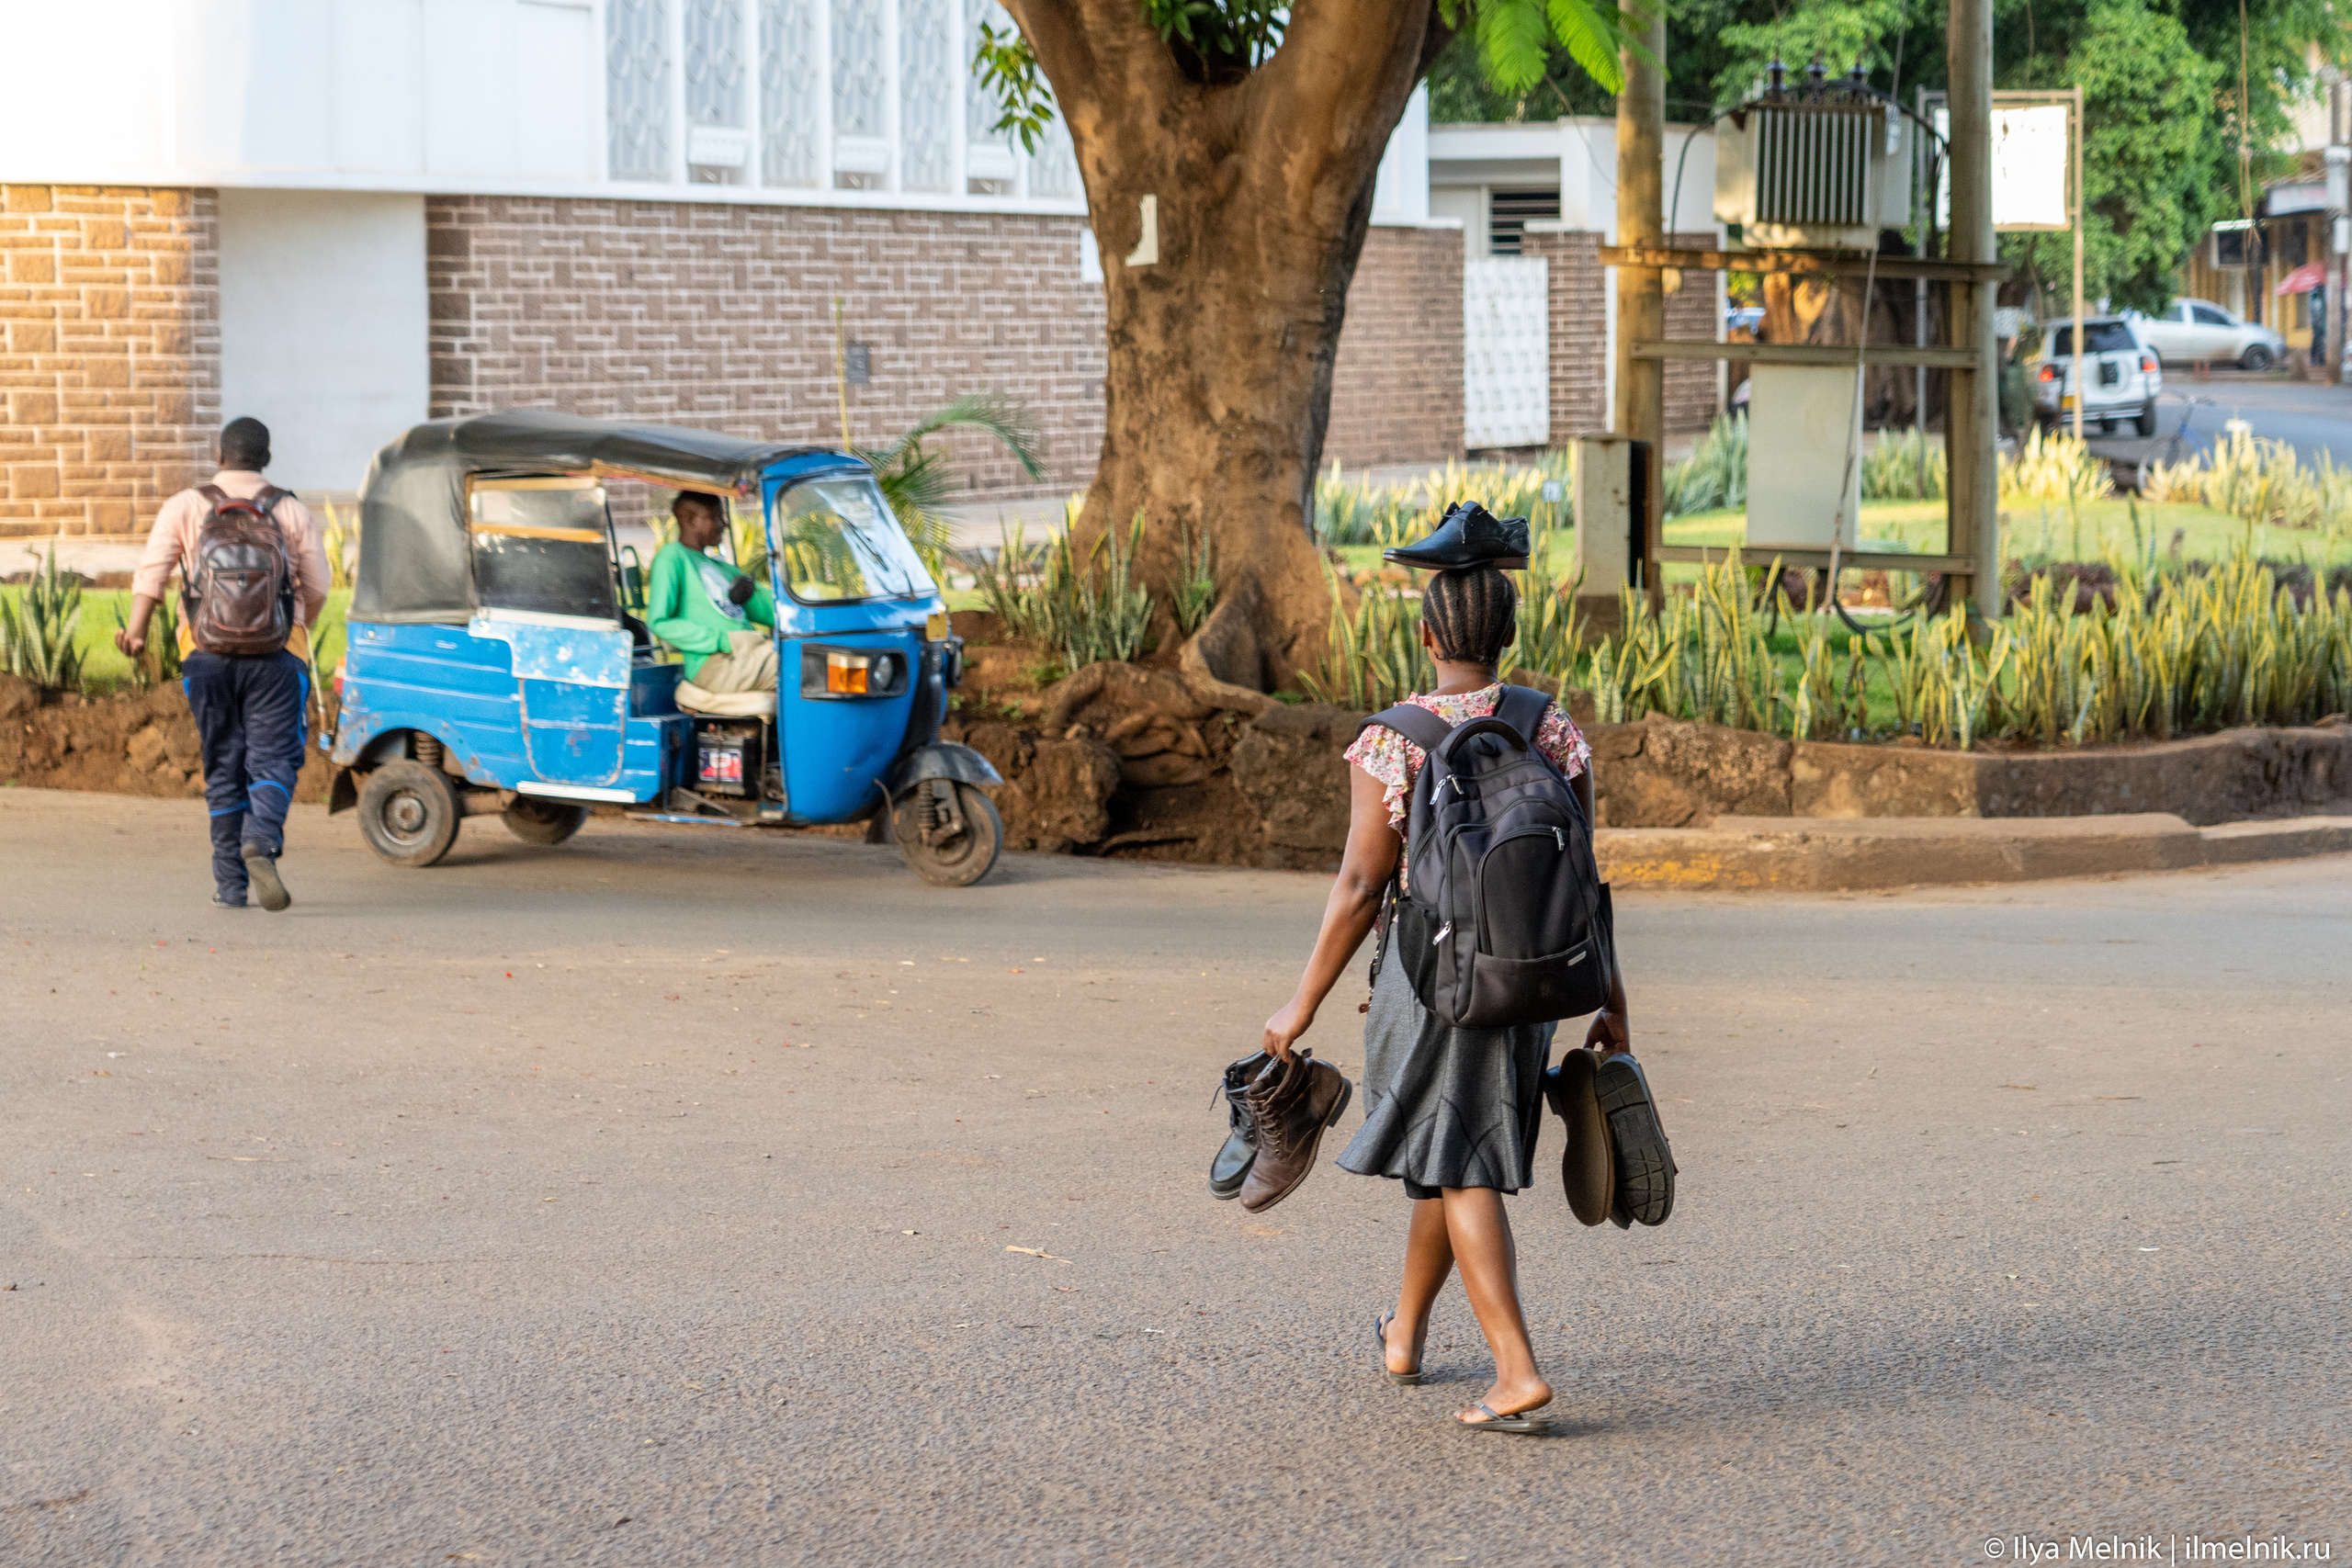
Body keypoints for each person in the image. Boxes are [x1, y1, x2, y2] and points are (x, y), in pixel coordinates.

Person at [1259, 560, 1627, 1433]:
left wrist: (1300, 1004)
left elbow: (1359, 884)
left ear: (1426, 636)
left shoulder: (1395, 741)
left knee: (1456, 1160)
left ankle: (1515, 1370)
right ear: (1507, 636)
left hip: (1433, 985)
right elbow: (1585, 880)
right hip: (1532, 980)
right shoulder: (1551, 728)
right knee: (1445, 1145)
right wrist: (1611, 1001)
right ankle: (1406, 1332)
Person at [115, 417, 329, 912]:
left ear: (219, 456)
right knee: (275, 757)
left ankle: (230, 887)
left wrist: (138, 632)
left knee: (223, 762)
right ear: (266, 460)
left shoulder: (186, 506)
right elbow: (317, 586)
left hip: (204, 656)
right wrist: (296, 626)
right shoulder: (290, 509)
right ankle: (261, 837)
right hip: (278, 658)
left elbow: (151, 575)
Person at [645, 491, 777, 699]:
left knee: (811, 656)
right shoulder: (672, 557)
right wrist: (723, 641)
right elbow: (659, 622)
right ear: (690, 520)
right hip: (715, 663)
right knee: (799, 664)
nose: (724, 524)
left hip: (748, 653)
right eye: (715, 517)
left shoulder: (724, 569)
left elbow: (770, 607)